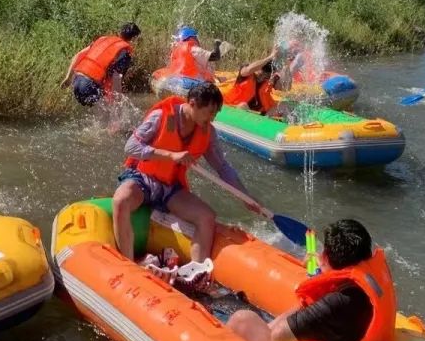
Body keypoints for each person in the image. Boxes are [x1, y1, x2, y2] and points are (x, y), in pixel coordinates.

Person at [113, 82, 264, 265]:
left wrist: (245, 197)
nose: (212, 119)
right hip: (142, 179)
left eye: (215, 114)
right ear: (192, 103)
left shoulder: (208, 132)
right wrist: (171, 155)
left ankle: (197, 274)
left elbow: (223, 168)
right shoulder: (160, 116)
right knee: (121, 200)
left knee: (206, 217)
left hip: (170, 188)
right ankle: (128, 265)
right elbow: (130, 147)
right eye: (209, 112)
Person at [226, 219, 396, 341]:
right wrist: (321, 278)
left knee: (243, 320)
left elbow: (278, 337)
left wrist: (317, 290)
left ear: (326, 257)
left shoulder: (336, 303)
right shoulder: (369, 278)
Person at [61, 23, 142, 106]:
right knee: (106, 109)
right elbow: (116, 77)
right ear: (134, 39)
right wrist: (116, 103)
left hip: (76, 81)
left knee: (94, 106)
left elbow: (78, 55)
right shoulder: (124, 52)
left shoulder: (103, 39)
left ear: (120, 32)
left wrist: (68, 77)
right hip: (89, 86)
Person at [223, 49, 279, 115]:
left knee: (284, 105)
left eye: (266, 77)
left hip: (262, 114)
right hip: (236, 108)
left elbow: (287, 86)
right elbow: (249, 69)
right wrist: (270, 57)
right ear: (257, 69)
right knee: (243, 106)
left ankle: (266, 122)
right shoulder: (245, 74)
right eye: (261, 74)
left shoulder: (270, 79)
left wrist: (287, 64)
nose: (262, 78)